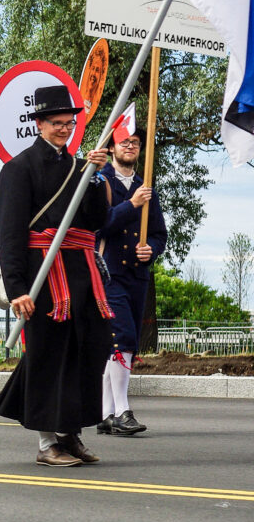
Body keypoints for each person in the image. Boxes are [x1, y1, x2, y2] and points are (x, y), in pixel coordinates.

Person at [0, 85, 114, 467]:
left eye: (69, 123)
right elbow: (9, 233)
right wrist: (17, 290)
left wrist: (95, 178)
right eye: (57, 123)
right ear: (39, 124)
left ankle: (70, 433)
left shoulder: (81, 167)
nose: (64, 129)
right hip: (42, 275)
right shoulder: (18, 169)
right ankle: (48, 444)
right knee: (48, 356)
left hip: (80, 271)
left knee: (83, 353)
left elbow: (97, 222)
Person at [96, 129, 166, 436]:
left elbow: (160, 233)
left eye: (135, 143)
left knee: (126, 342)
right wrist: (132, 205)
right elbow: (99, 226)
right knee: (120, 337)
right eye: (124, 141)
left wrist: (151, 249)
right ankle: (123, 410)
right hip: (108, 273)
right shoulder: (100, 182)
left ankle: (106, 413)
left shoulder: (145, 187)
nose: (130, 146)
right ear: (112, 147)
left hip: (137, 276)